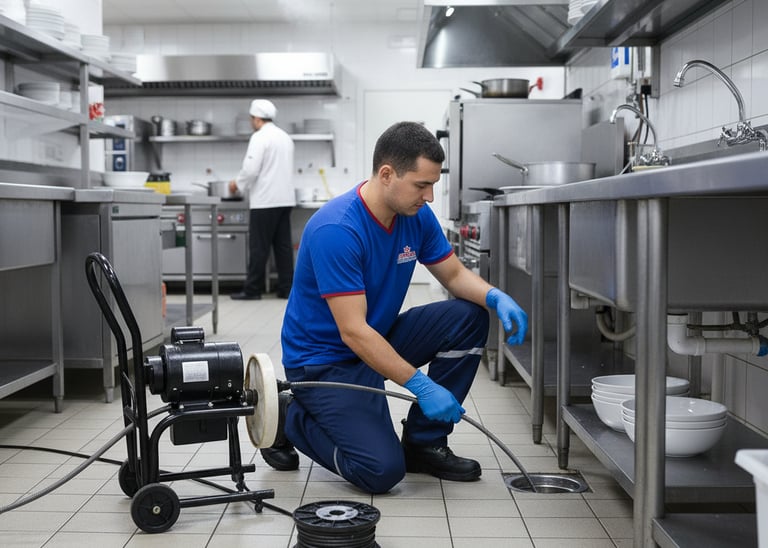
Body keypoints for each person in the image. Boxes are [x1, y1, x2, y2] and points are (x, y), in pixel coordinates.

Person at [264, 121, 528, 495]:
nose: (430, 197)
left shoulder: (414, 216)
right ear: (386, 174)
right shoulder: (337, 230)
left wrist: (494, 296)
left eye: (433, 184)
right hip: (325, 361)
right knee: (381, 472)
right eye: (422, 185)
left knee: (467, 317)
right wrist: (420, 385)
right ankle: (290, 415)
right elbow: (353, 331)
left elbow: (452, 275)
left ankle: (423, 443)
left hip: (377, 336)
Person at [229, 99, 295, 300]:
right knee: (283, 247)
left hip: (265, 200)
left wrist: (237, 184)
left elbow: (250, 169)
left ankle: (253, 290)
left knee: (259, 247)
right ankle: (286, 289)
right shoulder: (285, 137)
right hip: (285, 200)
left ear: (256, 118)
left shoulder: (259, 137)